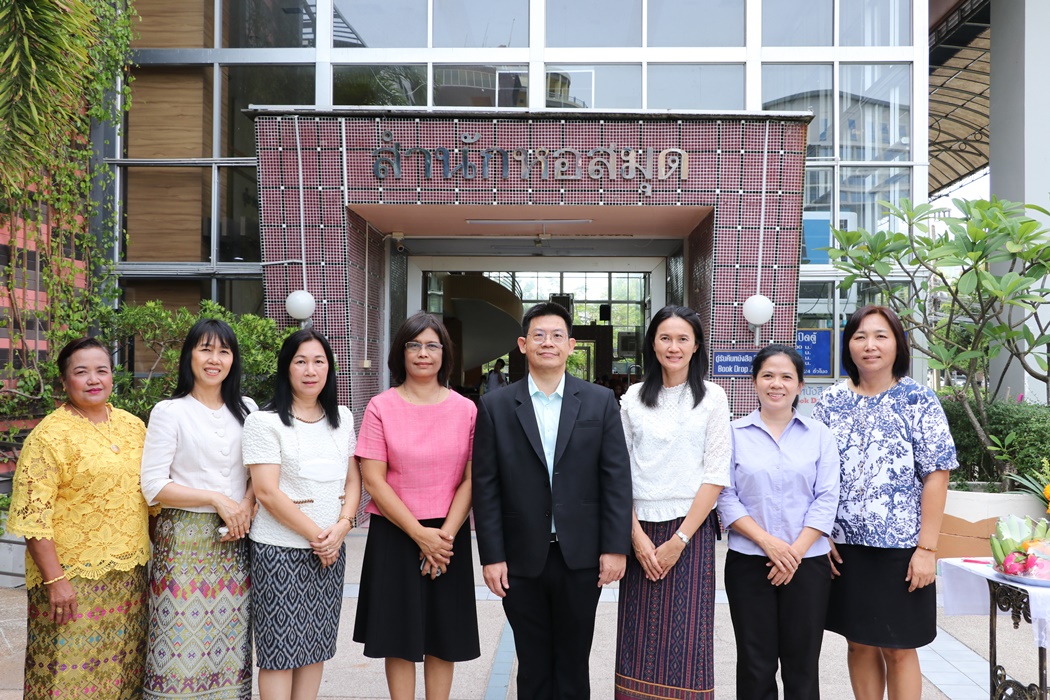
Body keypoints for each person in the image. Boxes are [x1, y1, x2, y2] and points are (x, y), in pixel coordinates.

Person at [473, 301, 633, 699]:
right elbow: (486, 486)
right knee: (532, 662)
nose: (548, 342)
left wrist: (615, 547)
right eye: (539, 335)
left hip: (581, 557)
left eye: (557, 335)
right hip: (520, 557)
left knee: (573, 661)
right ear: (523, 344)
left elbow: (616, 479)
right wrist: (491, 556)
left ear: (570, 345)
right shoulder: (496, 406)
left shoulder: (599, 401)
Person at [812, 306, 957, 700]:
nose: (869, 345)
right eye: (860, 337)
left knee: (898, 646)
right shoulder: (830, 402)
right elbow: (815, 474)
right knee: (858, 642)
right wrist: (820, 533)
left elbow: (937, 475)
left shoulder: (918, 399)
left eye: (880, 336)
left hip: (902, 548)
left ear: (897, 344)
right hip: (844, 548)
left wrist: (926, 549)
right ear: (848, 345)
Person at [8, 337, 151, 700]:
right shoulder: (48, 436)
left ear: (112, 376)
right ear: (64, 380)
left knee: (122, 673)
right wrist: (56, 580)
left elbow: (151, 498)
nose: (93, 379)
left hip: (128, 577)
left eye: (101, 370)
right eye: (81, 372)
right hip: (71, 577)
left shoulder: (133, 427)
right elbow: (33, 518)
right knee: (65, 677)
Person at [353, 312, 480, 699]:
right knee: (398, 636)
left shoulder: (466, 409)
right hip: (395, 532)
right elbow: (374, 479)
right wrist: (419, 535)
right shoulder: (380, 407)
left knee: (444, 636)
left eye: (431, 346)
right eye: (414, 345)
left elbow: (471, 479)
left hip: (448, 534)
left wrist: (442, 538)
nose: (423, 353)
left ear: (444, 354)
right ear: (401, 352)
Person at [614, 305, 731, 699]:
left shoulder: (713, 397)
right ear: (653, 343)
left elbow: (716, 474)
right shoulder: (633, 398)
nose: (673, 346)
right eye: (665, 338)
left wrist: (679, 540)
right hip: (639, 530)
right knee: (638, 639)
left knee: (687, 642)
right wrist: (636, 537)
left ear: (696, 346)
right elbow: (619, 472)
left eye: (683, 339)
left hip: (690, 532)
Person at [140, 318, 256, 699]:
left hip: (235, 543)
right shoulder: (170, 412)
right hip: (183, 545)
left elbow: (259, 473)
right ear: (189, 355)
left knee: (228, 646)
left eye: (224, 351)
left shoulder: (248, 410)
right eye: (205, 349)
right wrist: (215, 498)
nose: (214, 359)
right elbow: (154, 485)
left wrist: (246, 505)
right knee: (178, 644)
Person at [242, 329, 361, 700]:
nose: (311, 370)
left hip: (331, 550)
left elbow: (353, 480)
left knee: (316, 646)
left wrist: (343, 527)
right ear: (286, 367)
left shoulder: (342, 418)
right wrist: (318, 537)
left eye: (319, 361)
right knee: (279, 653)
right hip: (279, 551)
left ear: (329, 369)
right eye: (301, 361)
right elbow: (266, 491)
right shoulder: (264, 422)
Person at [718, 344, 840, 699]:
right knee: (755, 664)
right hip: (749, 563)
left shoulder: (820, 435)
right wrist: (768, 543)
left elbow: (827, 498)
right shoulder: (732, 434)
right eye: (768, 375)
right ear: (754, 382)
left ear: (800, 385)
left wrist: (794, 553)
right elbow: (725, 496)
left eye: (786, 377)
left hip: (808, 564)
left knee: (802, 665)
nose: (777, 384)